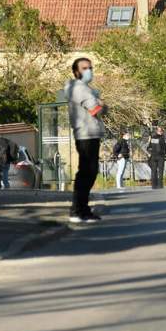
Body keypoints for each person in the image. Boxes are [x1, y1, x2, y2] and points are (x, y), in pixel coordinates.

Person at [65, 57, 106, 223]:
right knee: (87, 172)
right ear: (76, 71)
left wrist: (101, 104)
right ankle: (78, 210)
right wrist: (101, 103)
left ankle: (82, 209)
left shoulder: (85, 88)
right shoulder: (79, 89)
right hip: (86, 134)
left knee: (89, 172)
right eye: (84, 68)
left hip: (91, 133)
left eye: (90, 67)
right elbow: (96, 109)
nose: (89, 71)